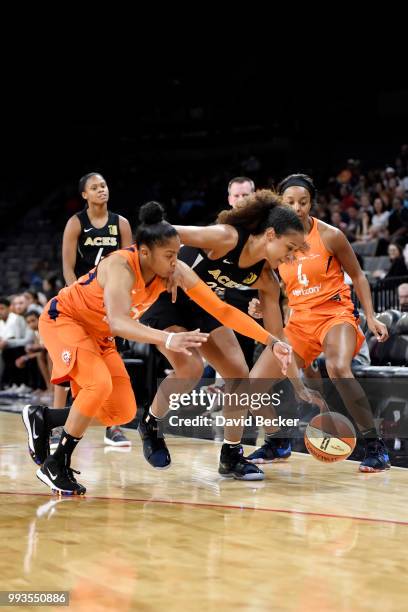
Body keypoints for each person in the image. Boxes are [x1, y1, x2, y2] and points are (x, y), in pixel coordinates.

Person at [23, 202, 288, 495]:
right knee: (98, 385)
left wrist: (271, 341)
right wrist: (168, 339)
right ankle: (57, 462)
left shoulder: (177, 270)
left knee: (121, 412)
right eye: (170, 255)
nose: (176, 262)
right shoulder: (120, 266)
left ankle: (44, 419)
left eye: (177, 254)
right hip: (66, 321)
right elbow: (118, 322)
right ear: (145, 252)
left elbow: (222, 310)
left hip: (99, 336)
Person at [140, 190, 308, 480]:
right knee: (190, 367)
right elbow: (161, 232)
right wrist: (169, 266)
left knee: (239, 375)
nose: (291, 256)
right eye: (289, 247)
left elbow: (276, 336)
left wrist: (295, 378)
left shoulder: (267, 277)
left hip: (204, 304)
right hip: (164, 298)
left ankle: (231, 454)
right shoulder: (226, 237)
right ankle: (151, 422)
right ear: (270, 234)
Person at [246, 174, 391, 472]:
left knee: (338, 368)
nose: (297, 208)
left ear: (312, 203)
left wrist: (372, 315)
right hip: (298, 321)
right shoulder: (273, 241)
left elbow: (360, 275)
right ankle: (277, 441)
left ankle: (375, 445)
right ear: (280, 204)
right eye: (290, 202)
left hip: (335, 313)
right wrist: (261, 305)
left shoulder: (330, 235)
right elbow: (272, 290)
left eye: (303, 202)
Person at [59, 172, 134, 447]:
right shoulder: (76, 223)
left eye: (103, 185)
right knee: (70, 362)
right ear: (84, 195)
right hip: (81, 298)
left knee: (110, 360)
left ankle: (112, 426)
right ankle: (58, 427)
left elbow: (130, 264)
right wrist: (74, 296)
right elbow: (67, 266)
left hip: (110, 302)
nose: (101, 190)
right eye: (95, 187)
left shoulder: (121, 223)